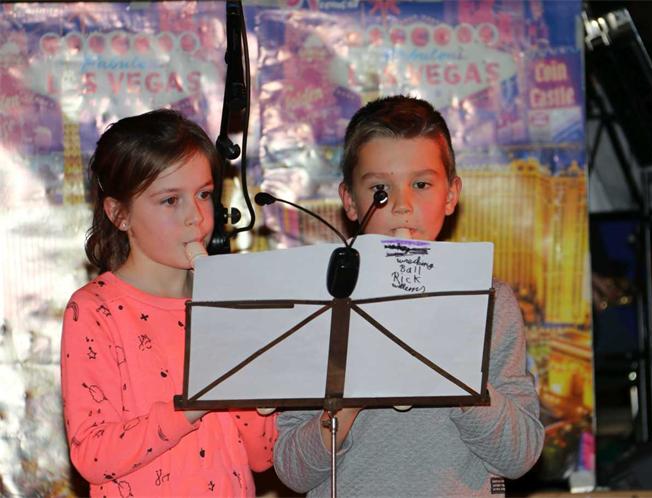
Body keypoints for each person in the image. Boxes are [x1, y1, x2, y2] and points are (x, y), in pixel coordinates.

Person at [273, 96, 544, 496]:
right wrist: (348, 401)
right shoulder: (316, 305)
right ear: (349, 201)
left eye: (421, 184)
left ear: (451, 195)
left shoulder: (488, 300)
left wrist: (456, 376)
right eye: (380, 190)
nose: (402, 206)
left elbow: (520, 456)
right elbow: (293, 470)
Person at [60, 109, 277, 497]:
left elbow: (263, 456)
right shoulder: (95, 310)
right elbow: (93, 456)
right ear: (119, 214)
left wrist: (256, 389)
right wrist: (191, 404)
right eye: (170, 200)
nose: (196, 217)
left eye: (203, 195)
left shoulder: (226, 304)